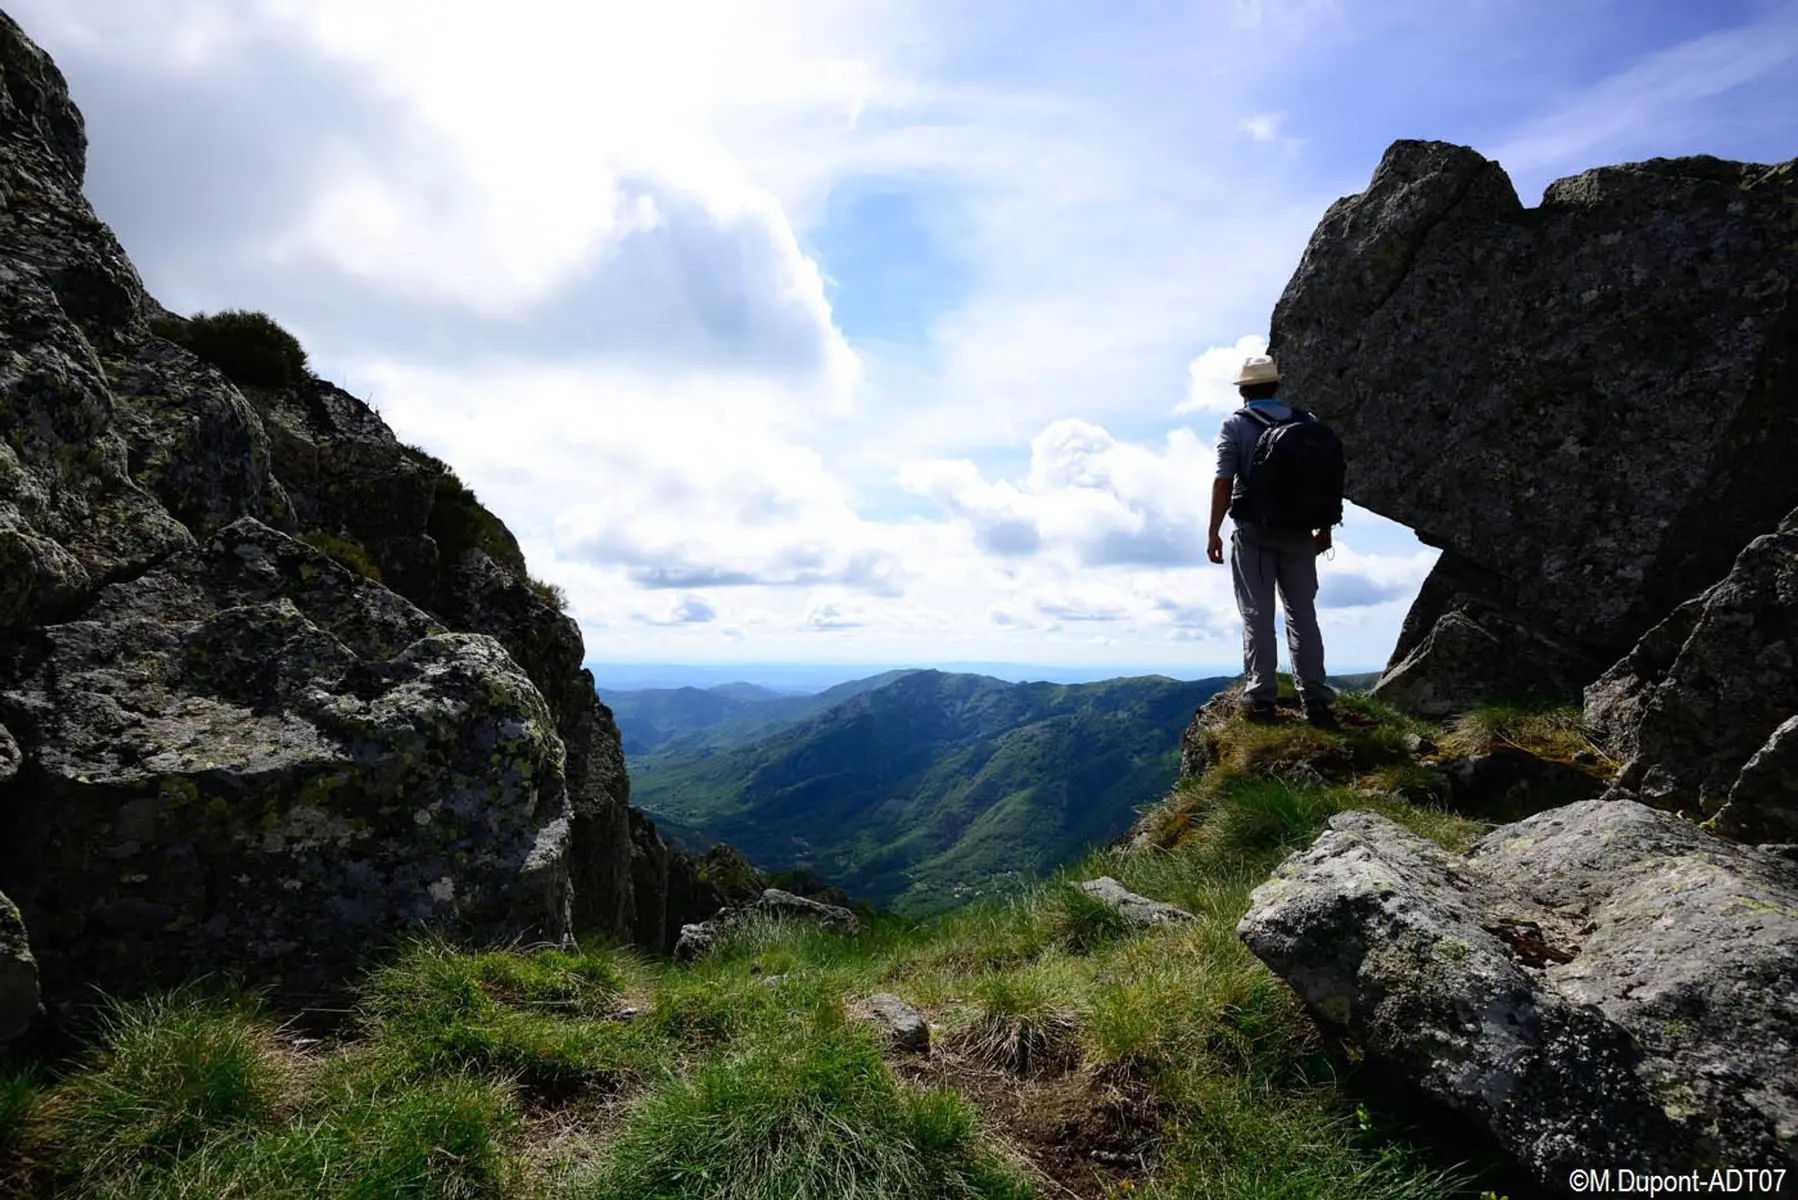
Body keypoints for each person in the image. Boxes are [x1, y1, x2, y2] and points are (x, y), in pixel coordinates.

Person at [1205, 353, 1339, 728]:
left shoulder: (1235, 425)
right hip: (1301, 532)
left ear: (1243, 391)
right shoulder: (1307, 421)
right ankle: (1315, 698)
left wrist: (1213, 531)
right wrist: (1326, 528)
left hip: (1254, 531)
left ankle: (1261, 697)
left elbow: (1223, 480)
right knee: (1303, 614)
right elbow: (1324, 479)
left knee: (1257, 614)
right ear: (1277, 385)